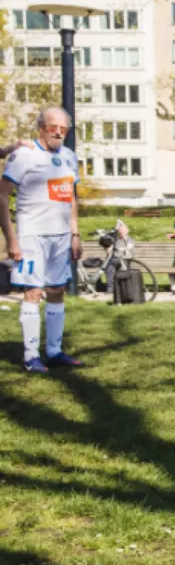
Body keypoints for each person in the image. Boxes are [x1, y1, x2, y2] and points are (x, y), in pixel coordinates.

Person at [0, 107, 85, 373]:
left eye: (63, 128)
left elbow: (70, 197)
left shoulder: (70, 157)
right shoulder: (24, 155)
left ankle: (54, 352)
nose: (58, 132)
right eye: (53, 127)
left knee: (57, 291)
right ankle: (30, 355)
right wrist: (11, 238)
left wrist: (75, 233)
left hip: (60, 236)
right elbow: (2, 197)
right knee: (33, 292)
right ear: (41, 128)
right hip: (31, 235)